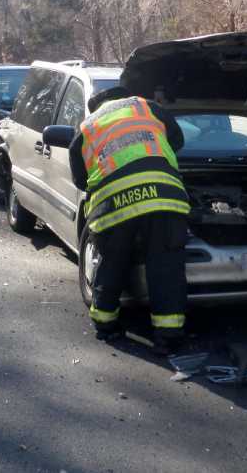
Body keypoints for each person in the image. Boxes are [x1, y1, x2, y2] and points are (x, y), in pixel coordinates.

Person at [68, 86, 191, 354]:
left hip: (114, 205)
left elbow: (79, 178)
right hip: (163, 197)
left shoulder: (87, 126)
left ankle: (106, 326)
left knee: (111, 263)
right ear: (124, 96)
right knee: (165, 267)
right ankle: (167, 337)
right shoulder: (146, 107)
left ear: (97, 105)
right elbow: (177, 141)